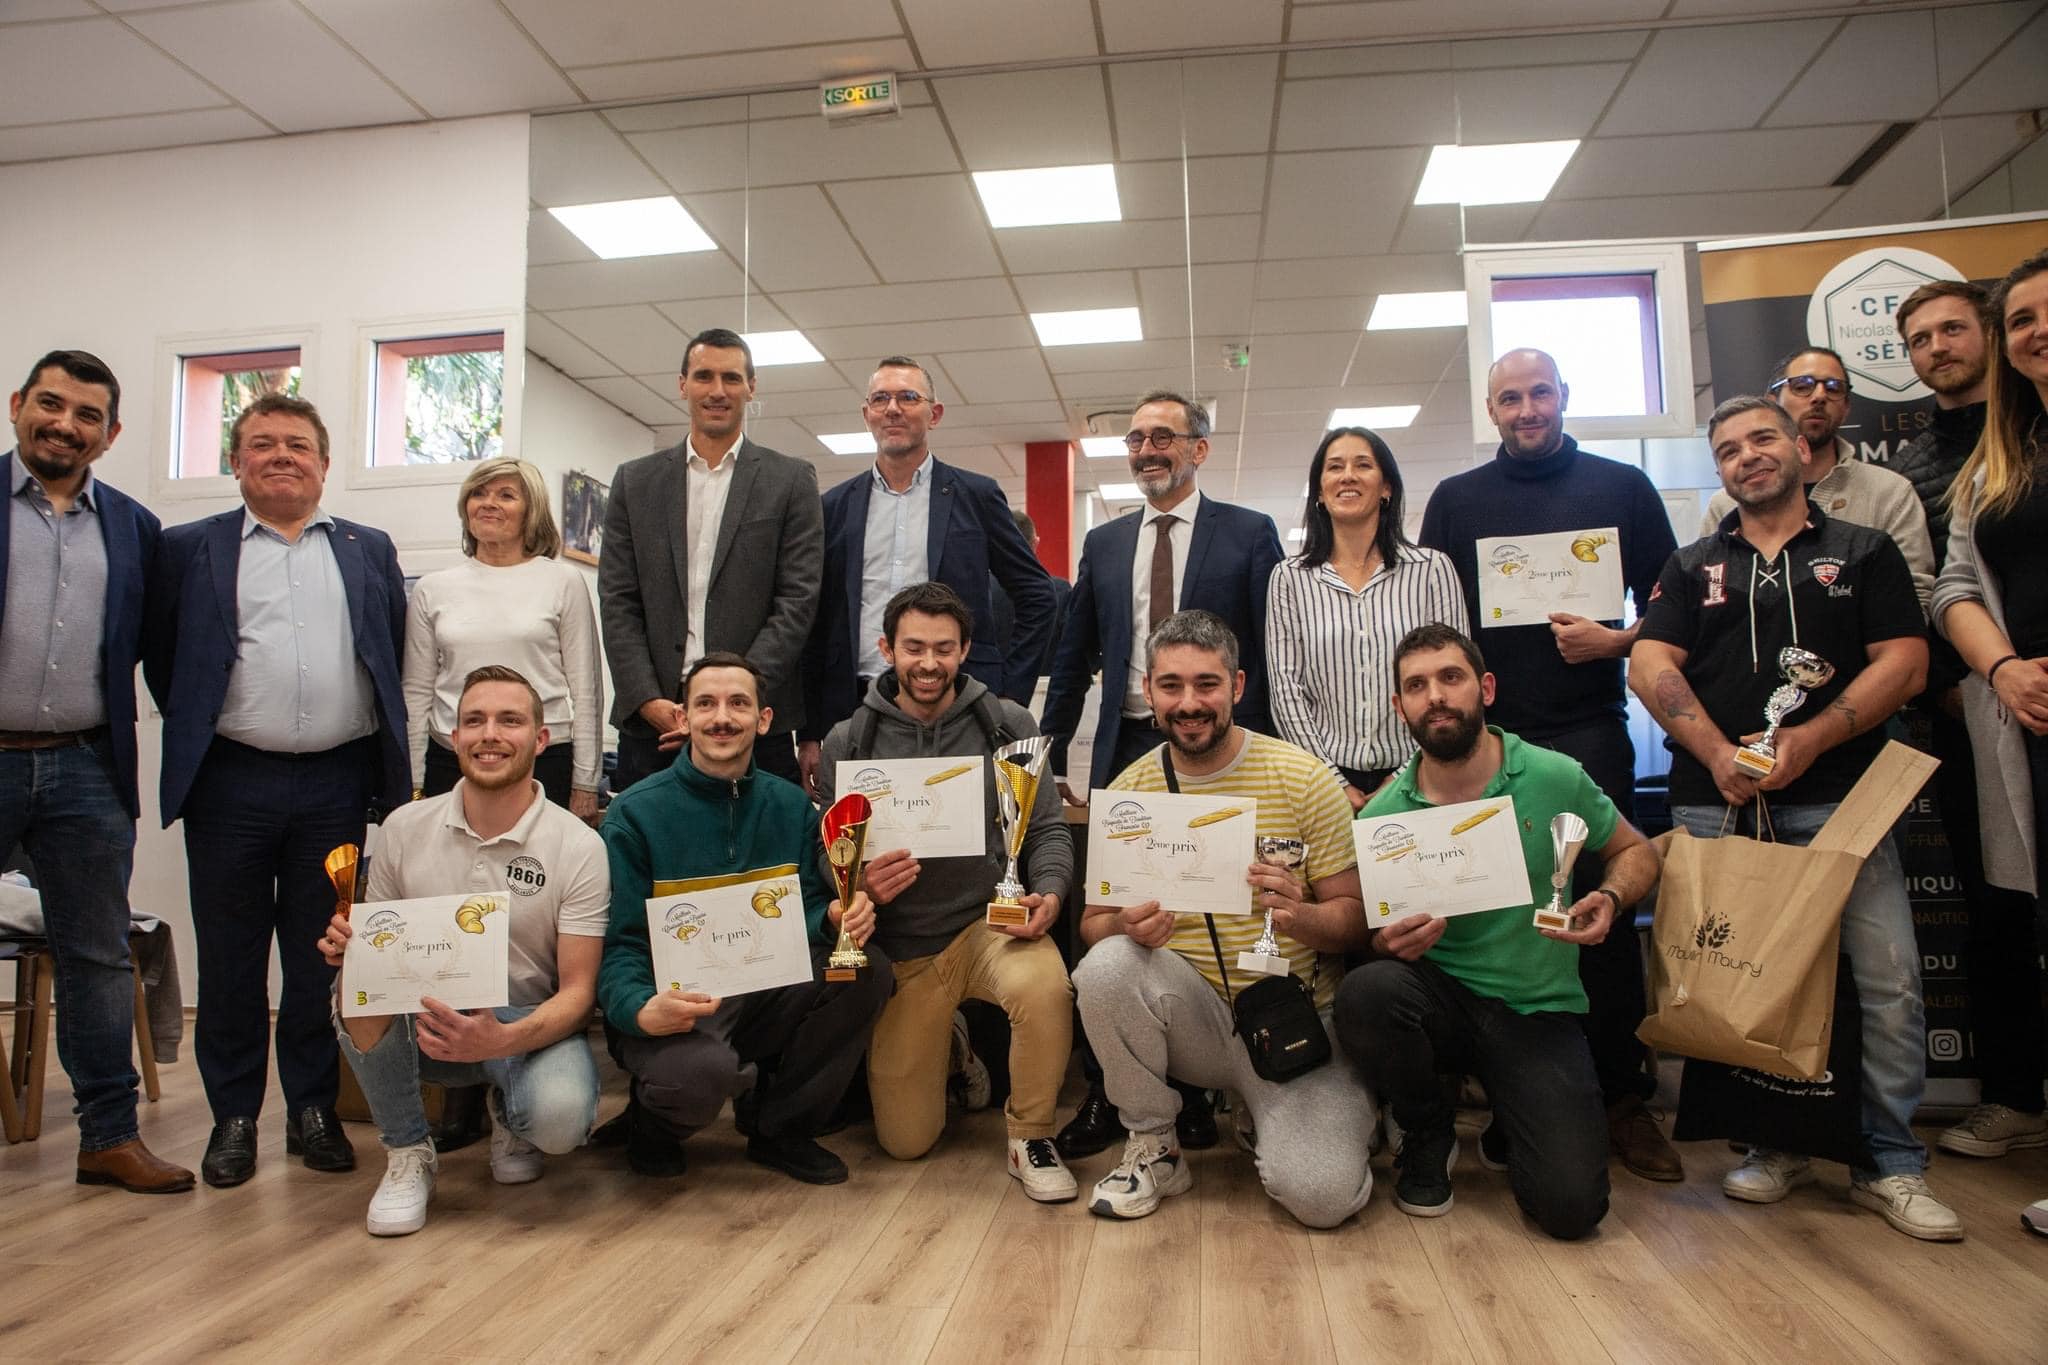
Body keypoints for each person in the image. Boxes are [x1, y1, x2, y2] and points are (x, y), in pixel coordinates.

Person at [1632, 393, 1960, 1242]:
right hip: (1717, 804)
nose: (1749, 455)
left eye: (1763, 438)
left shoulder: (1864, 551)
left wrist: (1810, 740)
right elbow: (1651, 661)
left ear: (1801, 447)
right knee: (1741, 979)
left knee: (1885, 982)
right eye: (1730, 448)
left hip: (1844, 799)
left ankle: (1892, 1159)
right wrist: (1710, 751)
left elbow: (1908, 661)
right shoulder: (1691, 562)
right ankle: (1774, 1144)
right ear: (1720, 469)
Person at [1419, 348, 1683, 1182]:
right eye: (1510, 397)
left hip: (1586, 732)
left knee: (1591, 913)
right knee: (1483, 904)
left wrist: (1619, 639)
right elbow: (1433, 624)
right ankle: (1507, 1084)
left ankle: (1619, 1096)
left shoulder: (1621, 488)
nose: (1527, 409)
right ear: (1489, 408)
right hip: (1477, 742)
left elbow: (1675, 609)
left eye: (1539, 393)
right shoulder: (1457, 501)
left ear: (1563, 397)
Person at [149, 394, 408, 1189]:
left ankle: (312, 1109)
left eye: (299, 444)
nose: (282, 455)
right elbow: (169, 660)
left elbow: (388, 649)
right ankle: (232, 1118)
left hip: (335, 782)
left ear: (325, 464)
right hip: (231, 781)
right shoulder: (187, 548)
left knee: (320, 953)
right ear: (237, 462)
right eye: (262, 444)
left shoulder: (368, 548)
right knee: (228, 959)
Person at [1335, 624, 1659, 1239]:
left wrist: (1611, 897)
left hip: (1535, 1009)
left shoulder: (1554, 774)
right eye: (1416, 685)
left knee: (1572, 1210)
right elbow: (1369, 936)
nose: (1435, 696)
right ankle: (1426, 1127)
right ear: (1398, 706)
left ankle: (1513, 1117)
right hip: (1437, 1002)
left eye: (1450, 678)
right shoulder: (1381, 815)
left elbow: (1637, 852)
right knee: (1369, 990)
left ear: (1484, 687)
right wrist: (1384, 943)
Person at [1072, 610, 1376, 1227]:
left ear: (1237, 687)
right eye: (1171, 686)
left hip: (1293, 1017)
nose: (1190, 703)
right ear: (1148, 692)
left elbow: (1356, 922)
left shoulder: (1303, 778)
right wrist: (1126, 927)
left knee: (1322, 1199)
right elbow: (1091, 926)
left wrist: (1302, 916)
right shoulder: (1130, 791)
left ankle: (1295, 1113)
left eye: (1207, 684)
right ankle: (1154, 1145)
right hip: (1195, 1020)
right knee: (1105, 966)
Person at [1042, 389, 1284, 1159]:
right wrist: (1044, 756)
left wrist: (1268, 755)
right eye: (1136, 438)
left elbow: (1269, 661)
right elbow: (1074, 655)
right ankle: (1114, 1092)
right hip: (1127, 755)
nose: (1148, 449)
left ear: (1198, 449)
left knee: (1218, 901)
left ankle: (1208, 1084)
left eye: (1164, 437)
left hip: (1223, 751)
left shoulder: (1248, 533)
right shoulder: (1104, 543)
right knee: (1122, 918)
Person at [318, 666, 607, 1236]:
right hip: (426, 1021)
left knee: (560, 1120)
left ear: (541, 740)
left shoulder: (579, 845)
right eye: (473, 720)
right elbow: (379, 950)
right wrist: (351, 950)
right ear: (454, 738)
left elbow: (578, 993)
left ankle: (512, 1114)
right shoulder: (403, 827)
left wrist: (500, 1038)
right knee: (356, 983)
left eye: (510, 720)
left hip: (526, 1027)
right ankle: (407, 1154)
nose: (489, 734)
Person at [815, 582, 1076, 1198]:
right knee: (906, 1144)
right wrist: (857, 888)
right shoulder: (846, 742)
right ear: (887, 649)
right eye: (913, 648)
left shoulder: (1007, 724)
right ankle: (956, 1051)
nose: (928, 663)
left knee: (1045, 987)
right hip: (906, 949)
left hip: (989, 923)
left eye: (943, 648)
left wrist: (1051, 894)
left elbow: (1046, 832)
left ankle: (1031, 1137)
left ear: (964, 651)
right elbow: (827, 855)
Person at [1, 350, 190, 1194]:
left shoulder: (135, 529)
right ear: (17, 406)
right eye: (51, 403)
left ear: (109, 437)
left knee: (97, 955)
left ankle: (107, 1136)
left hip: (85, 766)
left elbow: (161, 659)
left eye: (85, 415)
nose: (64, 424)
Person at [598, 652, 892, 1185]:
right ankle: (654, 1123)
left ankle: (780, 1128)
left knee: (864, 967)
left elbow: (799, 908)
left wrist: (829, 919)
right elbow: (618, 943)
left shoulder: (791, 806)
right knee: (698, 1077)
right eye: (705, 704)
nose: (722, 717)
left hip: (760, 992)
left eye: (739, 703)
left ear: (764, 720)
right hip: (675, 1002)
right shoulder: (634, 815)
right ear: (682, 719)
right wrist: (640, 1010)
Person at [1894, 279, 2045, 1162]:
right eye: (1920, 338)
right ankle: (2017, 1092)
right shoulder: (1925, 466)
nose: (1938, 346)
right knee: (1998, 905)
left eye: (1955, 328)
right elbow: (1937, 585)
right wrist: (1972, 676)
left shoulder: (2013, 437)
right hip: (1976, 705)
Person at [1928, 248, 2048, 1235]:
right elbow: (1953, 586)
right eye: (2021, 320)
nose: (2034, 332)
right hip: (2025, 717)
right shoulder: (1995, 462)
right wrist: (2002, 669)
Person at [798, 357, 1055, 794]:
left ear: (934, 414)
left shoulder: (975, 495)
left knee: (963, 830)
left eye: (908, 397)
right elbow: (815, 620)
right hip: (859, 703)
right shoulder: (834, 506)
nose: (893, 408)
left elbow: (1037, 594)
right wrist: (809, 731)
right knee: (870, 839)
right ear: (867, 415)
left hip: (960, 699)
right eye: (881, 399)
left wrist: (1009, 693)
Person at [599, 328, 823, 792]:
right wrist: (648, 702)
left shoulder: (790, 480)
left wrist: (735, 698)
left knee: (764, 860)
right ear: (682, 384)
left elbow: (797, 600)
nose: (717, 391)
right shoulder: (634, 483)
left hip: (756, 722)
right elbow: (619, 601)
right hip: (653, 726)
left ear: (751, 388)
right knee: (653, 859)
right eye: (703, 376)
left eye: (731, 378)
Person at [1267, 426, 1468, 807]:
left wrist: (1410, 771)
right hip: (1322, 781)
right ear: (1320, 492)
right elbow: (1286, 689)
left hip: (1424, 772)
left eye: (1363, 465)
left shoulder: (1432, 569)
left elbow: (1456, 677)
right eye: (1334, 467)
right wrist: (1330, 780)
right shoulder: (1289, 579)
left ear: (1386, 487)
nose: (1348, 476)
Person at [402, 457, 602, 819]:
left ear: (532, 511)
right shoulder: (432, 589)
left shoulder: (563, 582)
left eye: (506, 495)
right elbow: (416, 694)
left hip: (543, 757)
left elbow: (586, 692)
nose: (489, 502)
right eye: (478, 493)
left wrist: (586, 782)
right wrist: (414, 780)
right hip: (452, 758)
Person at [1700, 346, 1934, 614]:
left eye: (1834, 388)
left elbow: (1913, 596)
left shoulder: (1889, 492)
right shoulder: (1725, 505)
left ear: (1846, 407)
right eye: (1802, 386)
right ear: (1772, 402)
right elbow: (1710, 600)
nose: (1820, 396)